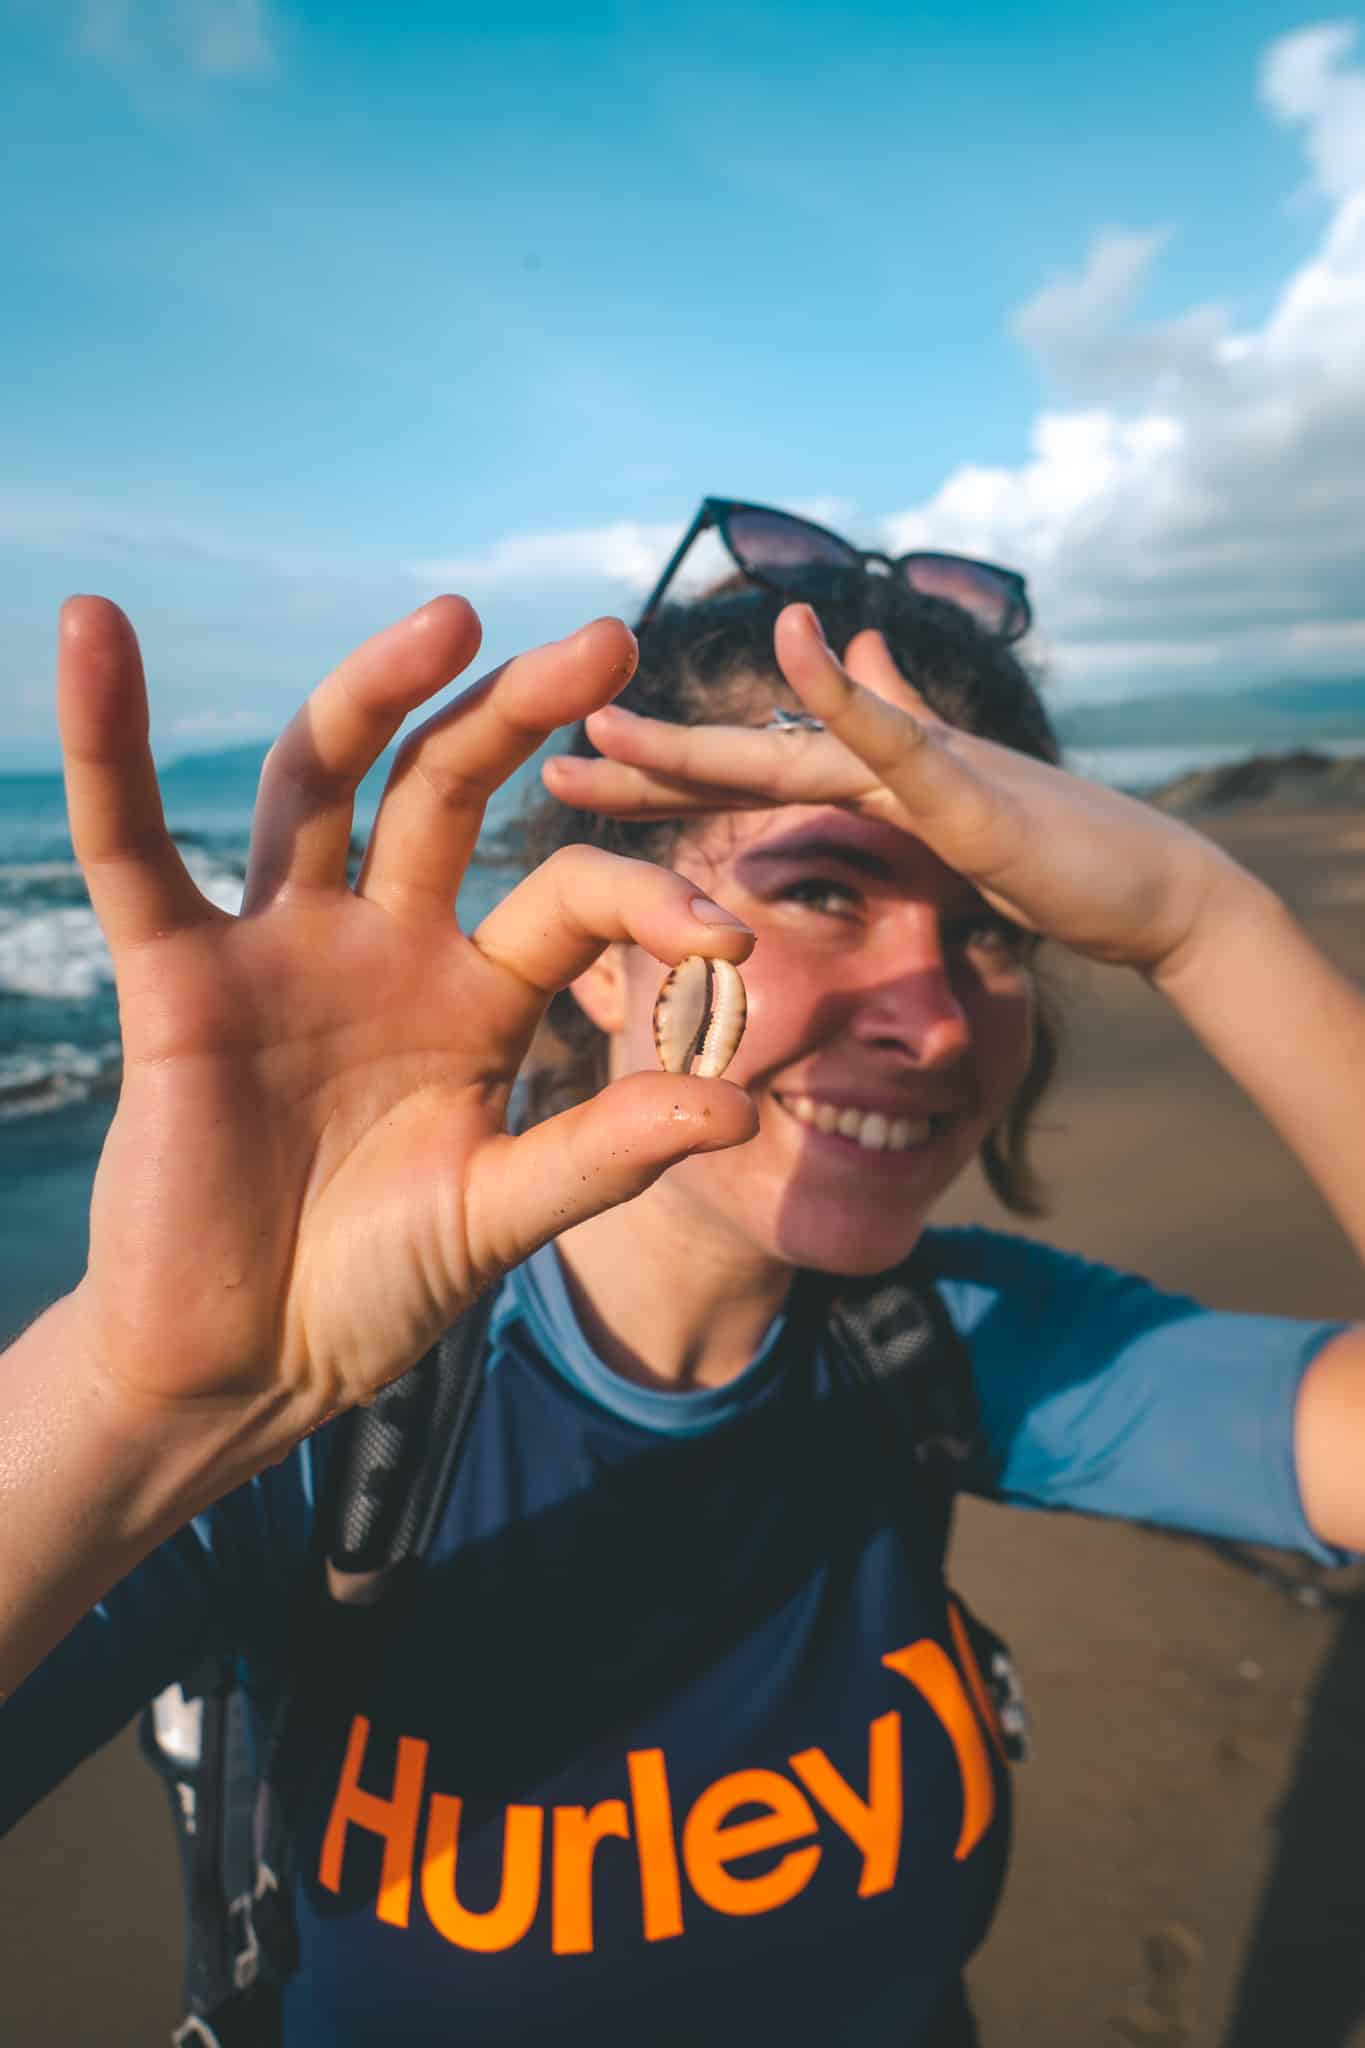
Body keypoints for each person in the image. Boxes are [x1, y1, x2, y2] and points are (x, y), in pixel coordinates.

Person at [2, 497, 1363, 2048]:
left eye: (995, 926)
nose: (927, 1011)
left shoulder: (955, 1344)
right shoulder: (302, 1436)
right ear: (597, 935)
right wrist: (125, 1405)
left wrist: (1206, 923)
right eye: (822, 892)